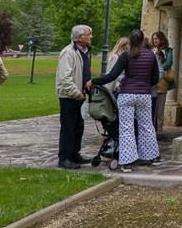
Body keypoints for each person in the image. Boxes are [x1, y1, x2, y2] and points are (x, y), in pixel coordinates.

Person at [93, 29, 161, 173]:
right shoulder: (150, 55)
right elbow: (155, 78)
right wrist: (144, 83)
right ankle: (151, 157)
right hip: (144, 95)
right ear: (143, 40)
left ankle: (127, 162)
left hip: (126, 95)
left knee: (126, 128)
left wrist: (93, 81)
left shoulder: (126, 56)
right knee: (147, 125)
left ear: (130, 41)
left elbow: (112, 76)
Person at [56, 24, 93, 170]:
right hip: (70, 96)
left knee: (79, 126)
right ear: (79, 37)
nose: (91, 37)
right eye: (88, 34)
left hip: (81, 96)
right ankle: (64, 157)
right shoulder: (68, 52)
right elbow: (65, 77)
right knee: (68, 127)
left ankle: (74, 153)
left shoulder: (83, 52)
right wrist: (75, 92)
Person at [151, 31, 174, 137]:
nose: (155, 40)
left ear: (161, 39)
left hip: (162, 82)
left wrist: (158, 69)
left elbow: (169, 63)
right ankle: (152, 129)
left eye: (157, 38)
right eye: (154, 38)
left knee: (159, 109)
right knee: (152, 109)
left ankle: (159, 130)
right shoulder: (150, 50)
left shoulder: (168, 51)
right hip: (152, 82)